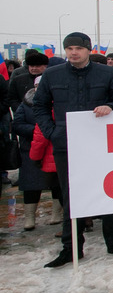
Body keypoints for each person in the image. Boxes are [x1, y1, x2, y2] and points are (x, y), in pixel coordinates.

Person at [34, 32, 113, 267]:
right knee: (71, 196)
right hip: (66, 145)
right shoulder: (52, 74)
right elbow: (40, 105)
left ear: (88, 50)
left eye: (78, 48)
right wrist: (52, 132)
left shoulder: (107, 73)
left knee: (110, 191)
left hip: (101, 145)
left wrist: (110, 106)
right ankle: (71, 247)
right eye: (69, 49)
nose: (73, 52)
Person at [12, 81, 63, 230]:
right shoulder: (26, 104)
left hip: (53, 149)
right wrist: (36, 130)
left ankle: (56, 214)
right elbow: (17, 124)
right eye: (36, 85)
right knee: (31, 186)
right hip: (30, 148)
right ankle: (29, 218)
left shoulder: (58, 103)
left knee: (57, 185)